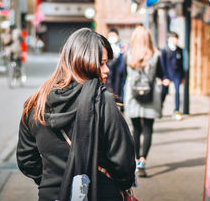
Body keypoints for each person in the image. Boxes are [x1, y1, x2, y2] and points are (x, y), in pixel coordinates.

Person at [17, 28, 136, 201]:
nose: (107, 70)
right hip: (99, 193)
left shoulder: (37, 103)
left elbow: (26, 160)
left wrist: (51, 182)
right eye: (101, 63)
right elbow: (123, 161)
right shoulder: (103, 101)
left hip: (52, 195)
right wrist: (122, 185)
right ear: (83, 62)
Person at [123, 25, 163, 177]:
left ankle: (135, 159)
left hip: (132, 96)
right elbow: (160, 74)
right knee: (148, 128)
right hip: (150, 95)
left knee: (135, 130)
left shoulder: (128, 55)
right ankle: (142, 161)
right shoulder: (155, 55)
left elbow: (122, 76)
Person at [160, 31, 185, 120]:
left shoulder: (179, 50)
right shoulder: (164, 51)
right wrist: (164, 77)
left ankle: (177, 110)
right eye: (173, 38)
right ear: (169, 39)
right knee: (164, 92)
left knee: (177, 92)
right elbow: (162, 65)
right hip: (167, 74)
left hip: (177, 74)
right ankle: (160, 108)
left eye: (176, 38)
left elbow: (182, 64)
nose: (175, 40)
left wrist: (183, 76)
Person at [105, 28, 126, 106]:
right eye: (110, 36)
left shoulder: (122, 48)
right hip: (108, 77)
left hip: (119, 76)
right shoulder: (105, 48)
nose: (112, 38)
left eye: (114, 36)